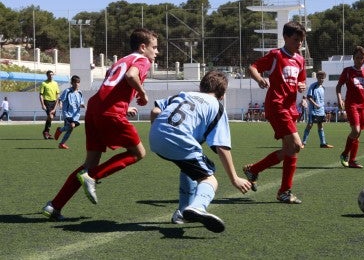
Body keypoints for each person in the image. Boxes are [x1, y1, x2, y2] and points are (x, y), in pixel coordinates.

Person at [42, 28, 158, 220]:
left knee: (89, 163)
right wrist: (143, 93)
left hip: (95, 109)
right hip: (110, 112)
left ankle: (54, 206)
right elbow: (131, 76)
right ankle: (93, 177)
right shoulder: (142, 60)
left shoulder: (121, 60)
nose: (156, 52)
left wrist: (123, 107)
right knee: (138, 153)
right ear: (143, 47)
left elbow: (111, 85)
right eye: (154, 47)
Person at [149, 70, 251, 233]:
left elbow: (155, 111)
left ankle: (182, 212)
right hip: (178, 139)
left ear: (202, 86)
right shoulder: (217, 106)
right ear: (222, 94)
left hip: (155, 136)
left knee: (190, 168)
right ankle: (198, 207)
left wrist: (159, 134)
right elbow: (222, 147)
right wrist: (234, 179)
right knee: (210, 179)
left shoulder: (183, 94)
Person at [243, 21, 307, 204]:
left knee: (290, 150)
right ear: (285, 37)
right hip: (276, 105)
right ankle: (284, 191)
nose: (299, 44)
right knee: (295, 145)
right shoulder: (276, 55)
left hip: (290, 108)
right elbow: (252, 67)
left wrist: (302, 86)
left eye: (301, 40)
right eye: (296, 40)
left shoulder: (300, 60)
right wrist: (259, 79)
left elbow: (301, 82)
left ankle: (254, 169)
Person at [301, 71, 333, 148]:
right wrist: (315, 104)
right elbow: (309, 97)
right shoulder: (313, 86)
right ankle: (303, 143)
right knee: (310, 125)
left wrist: (323, 109)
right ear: (317, 77)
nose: (321, 79)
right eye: (320, 77)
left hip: (321, 111)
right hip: (313, 110)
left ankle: (323, 143)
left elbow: (321, 100)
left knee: (320, 125)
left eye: (322, 78)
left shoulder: (323, 88)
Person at [54, 75, 85, 149]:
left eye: (78, 82)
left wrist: (83, 106)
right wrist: (60, 104)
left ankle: (61, 140)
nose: (77, 84)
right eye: (75, 82)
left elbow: (81, 103)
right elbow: (60, 99)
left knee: (70, 129)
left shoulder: (80, 93)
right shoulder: (67, 91)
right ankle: (60, 132)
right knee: (72, 125)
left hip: (76, 115)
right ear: (72, 83)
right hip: (67, 113)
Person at [39, 70, 60, 139]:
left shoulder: (55, 83)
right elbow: (41, 95)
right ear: (47, 75)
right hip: (47, 101)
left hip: (54, 102)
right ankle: (46, 132)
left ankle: (46, 131)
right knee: (50, 117)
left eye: (52, 74)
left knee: (51, 118)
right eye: (50, 75)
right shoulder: (43, 83)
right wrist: (43, 104)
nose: (51, 76)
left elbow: (58, 95)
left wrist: (59, 103)